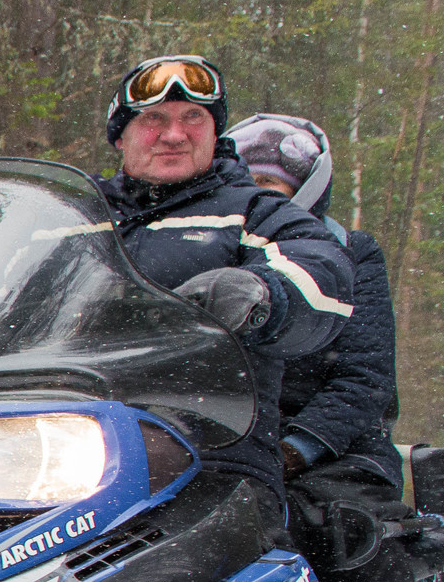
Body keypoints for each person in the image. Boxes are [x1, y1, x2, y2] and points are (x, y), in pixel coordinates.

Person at [227, 112, 419, 582]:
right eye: (253, 184)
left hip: (329, 446)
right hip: (219, 434)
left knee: (332, 527)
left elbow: (366, 378)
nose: (264, 196)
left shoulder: (351, 254)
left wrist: (297, 446)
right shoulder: (206, 244)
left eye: (277, 187)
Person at [95, 55, 357, 496]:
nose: (174, 134)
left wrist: (263, 293)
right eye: (154, 118)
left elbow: (323, 275)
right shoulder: (75, 215)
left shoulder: (255, 212)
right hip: (63, 440)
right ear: (121, 135)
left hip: (212, 459)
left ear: (215, 132)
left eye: (193, 118)